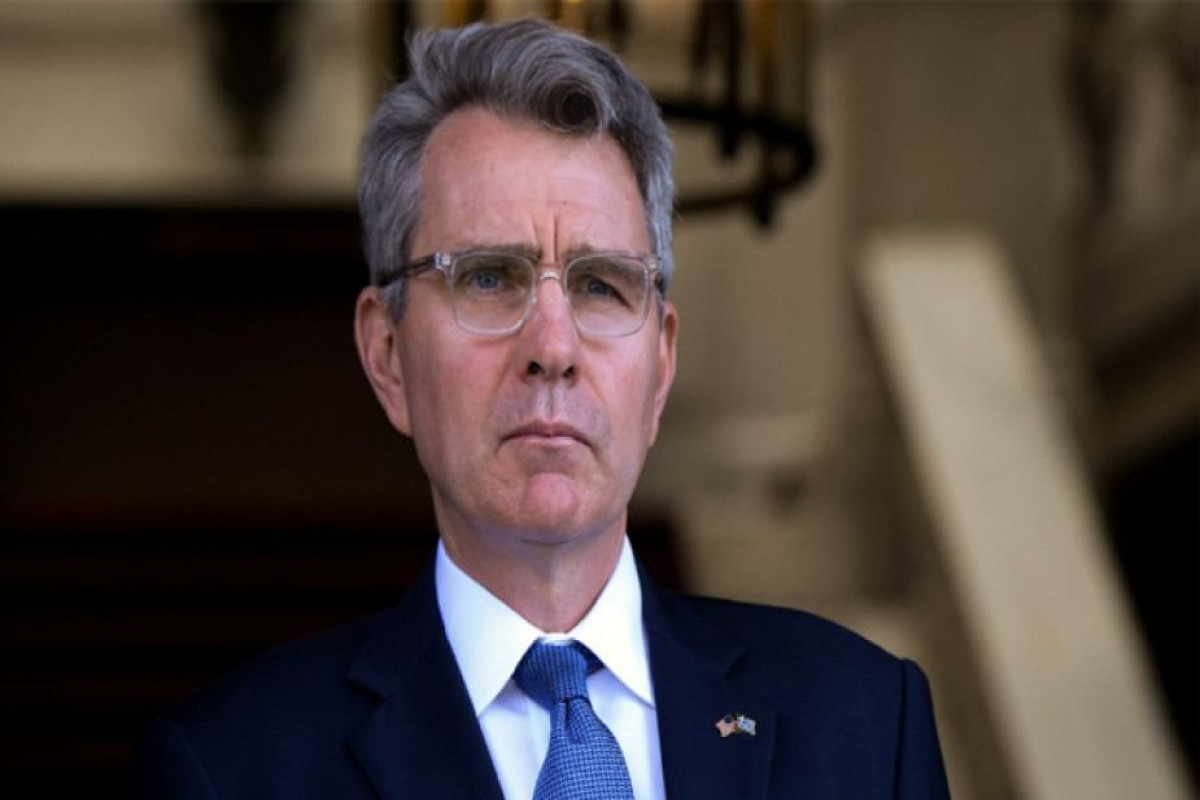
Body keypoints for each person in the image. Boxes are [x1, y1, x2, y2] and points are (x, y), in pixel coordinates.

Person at [130, 20, 950, 799]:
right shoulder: (231, 770)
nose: (552, 346)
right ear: (387, 355)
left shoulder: (867, 724)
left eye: (600, 284)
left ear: (661, 364)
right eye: (489, 278)